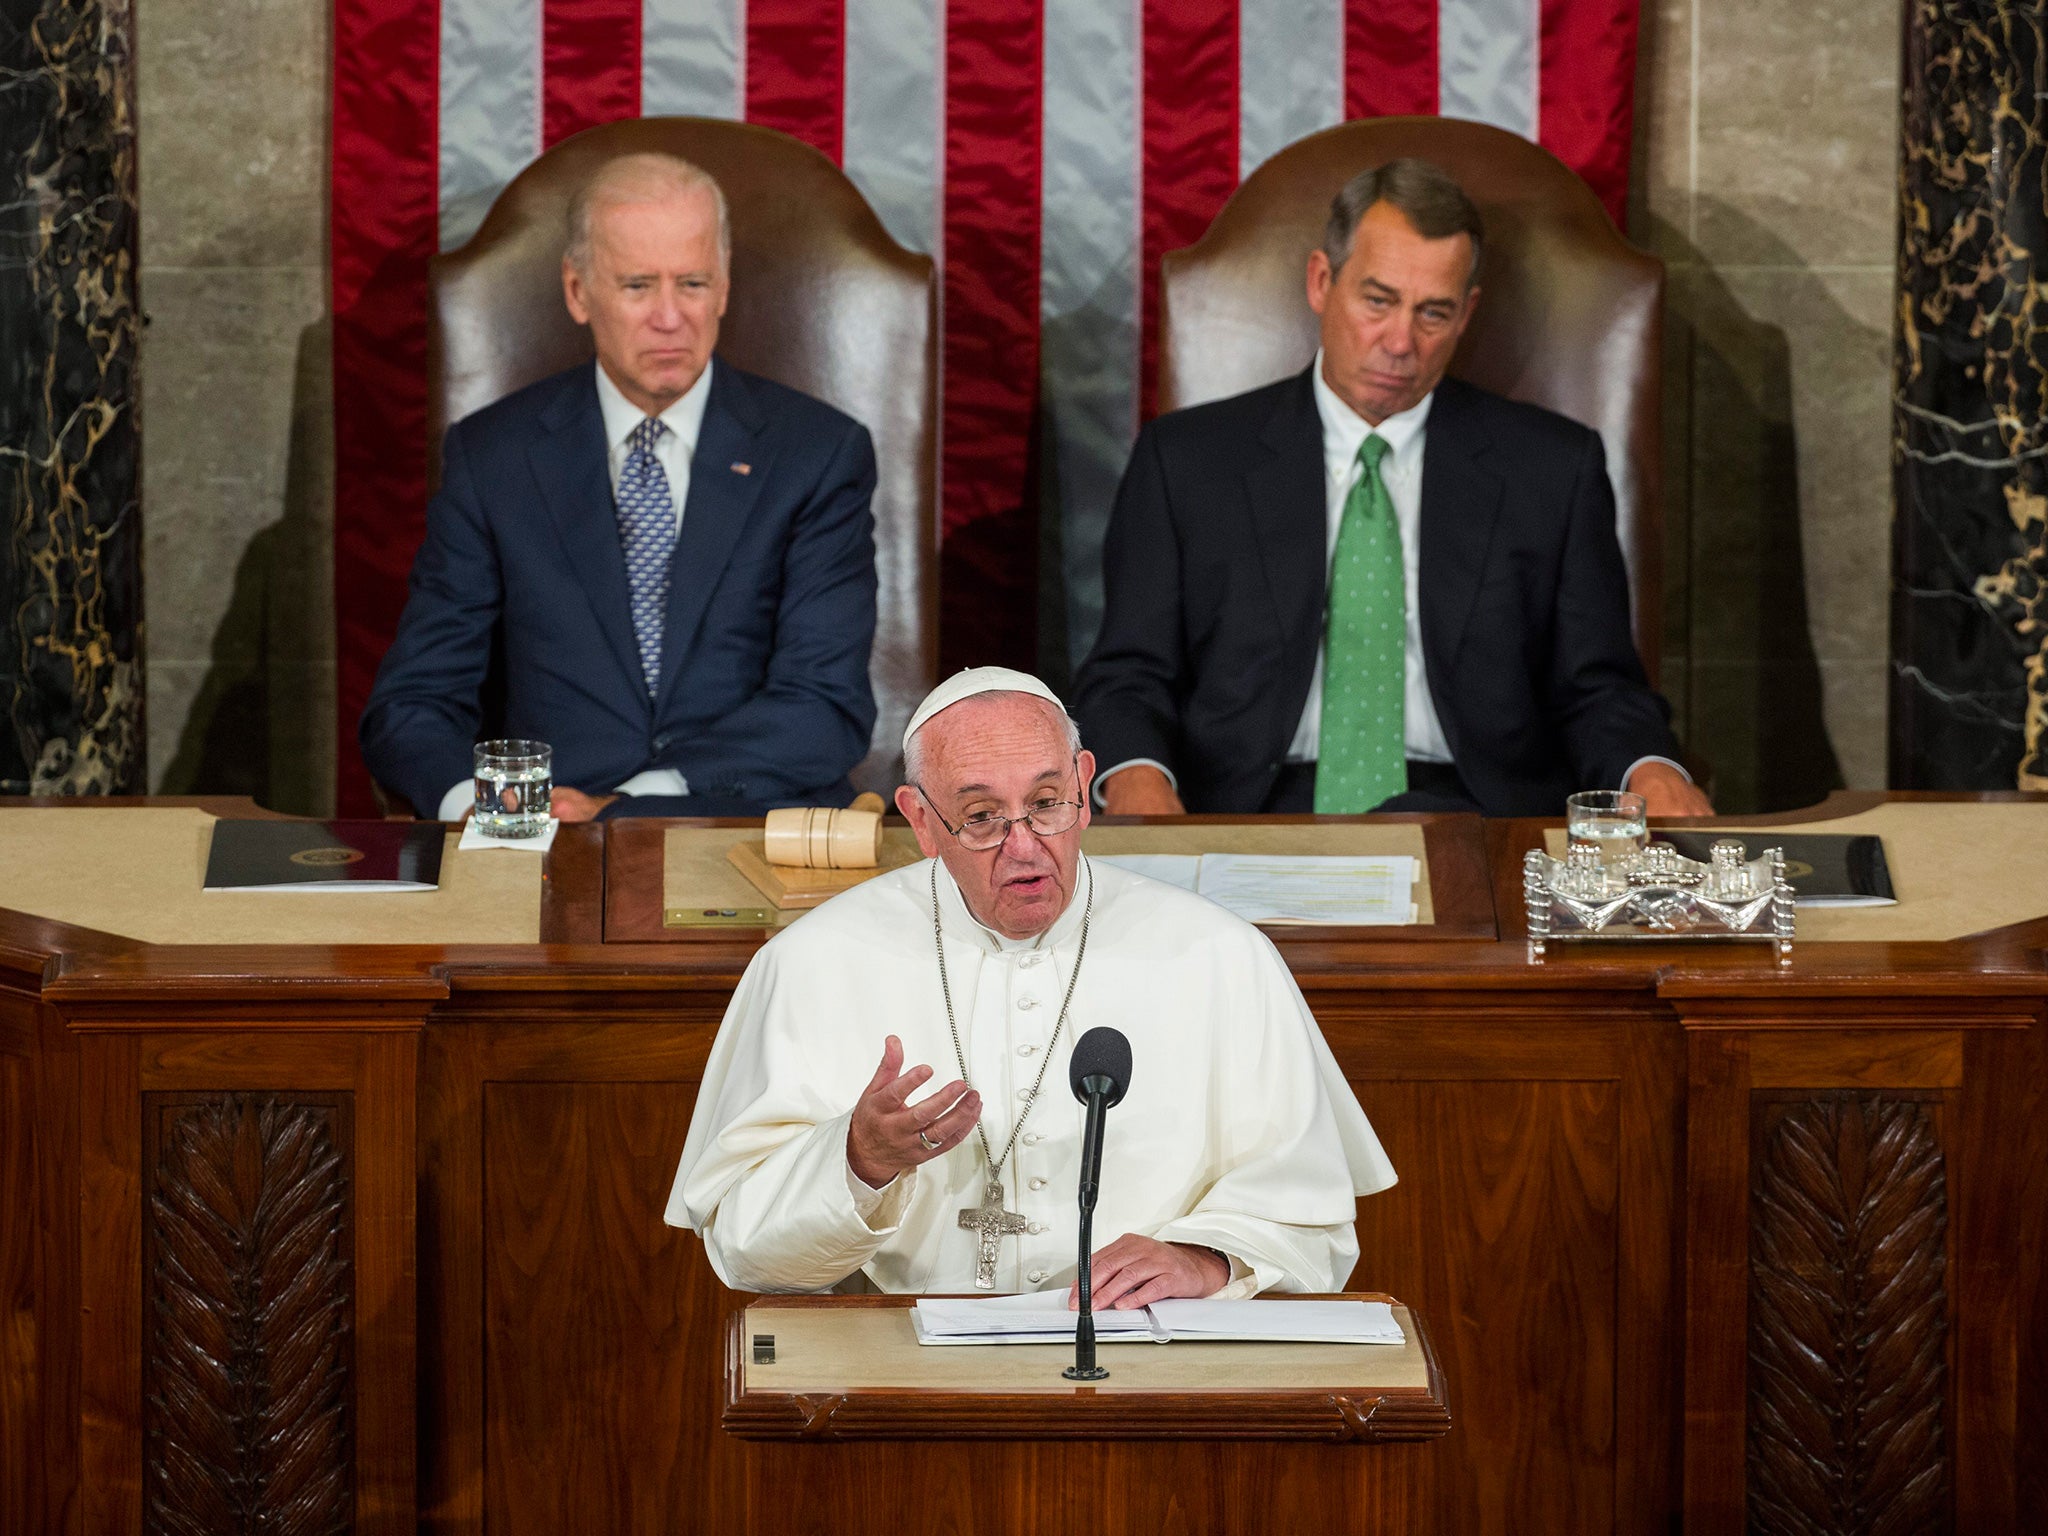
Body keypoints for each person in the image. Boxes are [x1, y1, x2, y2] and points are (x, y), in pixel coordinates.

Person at [666, 667, 1395, 1299]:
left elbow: (1314, 1219)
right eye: (981, 818)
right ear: (921, 820)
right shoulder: (814, 962)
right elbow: (744, 1251)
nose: (1024, 848)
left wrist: (1204, 1259)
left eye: (1047, 805)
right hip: (908, 1373)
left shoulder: (1220, 956)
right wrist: (860, 1162)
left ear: (1084, 784)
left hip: (1150, 1362)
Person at [1071, 158, 1714, 821]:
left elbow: (1598, 689)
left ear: (1467, 314)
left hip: (1480, 816)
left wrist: (1652, 769)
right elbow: (1127, 677)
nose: (1401, 341)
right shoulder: (1187, 463)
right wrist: (1139, 781)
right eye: (1377, 301)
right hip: (1247, 813)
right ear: (1322, 281)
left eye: (1433, 312)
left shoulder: (1554, 469)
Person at [360, 152, 879, 822]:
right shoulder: (495, 457)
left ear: (723, 289)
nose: (670, 318)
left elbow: (824, 705)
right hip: (546, 839)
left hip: (741, 828)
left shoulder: (818, 455)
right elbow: (414, 703)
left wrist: (630, 802)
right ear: (578, 292)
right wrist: (488, 808)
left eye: (692, 283)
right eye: (638, 286)